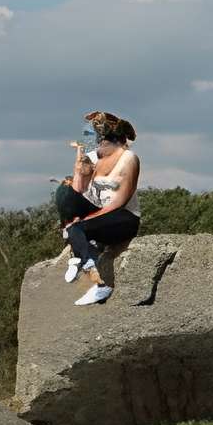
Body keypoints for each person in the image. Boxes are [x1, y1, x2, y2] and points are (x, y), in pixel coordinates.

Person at [51, 110, 142, 307]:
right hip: (97, 213)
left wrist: (87, 221)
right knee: (63, 191)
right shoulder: (92, 157)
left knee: (79, 228)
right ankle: (83, 256)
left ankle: (99, 282)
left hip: (124, 217)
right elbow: (77, 193)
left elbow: (119, 202)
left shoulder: (129, 159)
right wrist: (79, 175)